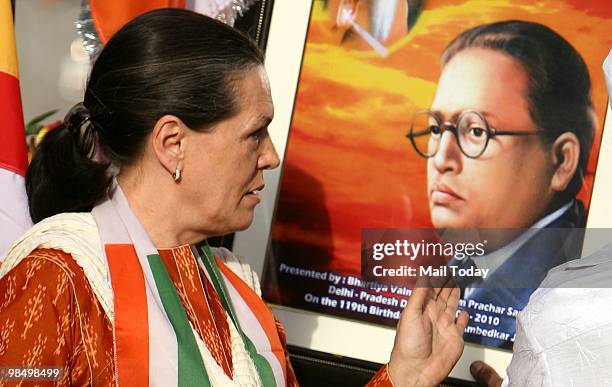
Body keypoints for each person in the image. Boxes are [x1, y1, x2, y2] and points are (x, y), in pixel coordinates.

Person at [0, 8, 468, 386]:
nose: (272, 155)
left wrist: (406, 377)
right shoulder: (58, 276)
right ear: (172, 143)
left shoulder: (232, 283)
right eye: (254, 134)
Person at [407, 20, 595, 348]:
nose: (441, 158)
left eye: (477, 131)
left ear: (562, 161)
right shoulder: (460, 264)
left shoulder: (575, 314)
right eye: (437, 128)